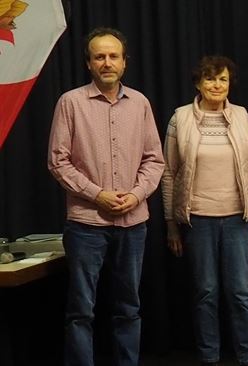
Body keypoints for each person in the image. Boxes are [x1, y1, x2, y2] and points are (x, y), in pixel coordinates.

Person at [47, 27, 165, 366]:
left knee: (128, 307)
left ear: (125, 63)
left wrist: (138, 194)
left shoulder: (140, 103)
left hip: (133, 223)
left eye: (114, 56)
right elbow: (58, 161)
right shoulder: (70, 102)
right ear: (89, 63)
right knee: (81, 309)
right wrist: (96, 195)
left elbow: (154, 159)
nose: (107, 62)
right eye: (99, 56)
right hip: (87, 225)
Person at [162, 56, 248, 366]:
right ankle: (209, 357)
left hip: (238, 219)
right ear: (198, 84)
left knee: (239, 293)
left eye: (222, 79)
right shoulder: (179, 118)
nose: (217, 85)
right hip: (198, 220)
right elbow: (169, 173)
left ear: (230, 83)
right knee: (206, 292)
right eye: (210, 79)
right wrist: (171, 225)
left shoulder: (243, 116)